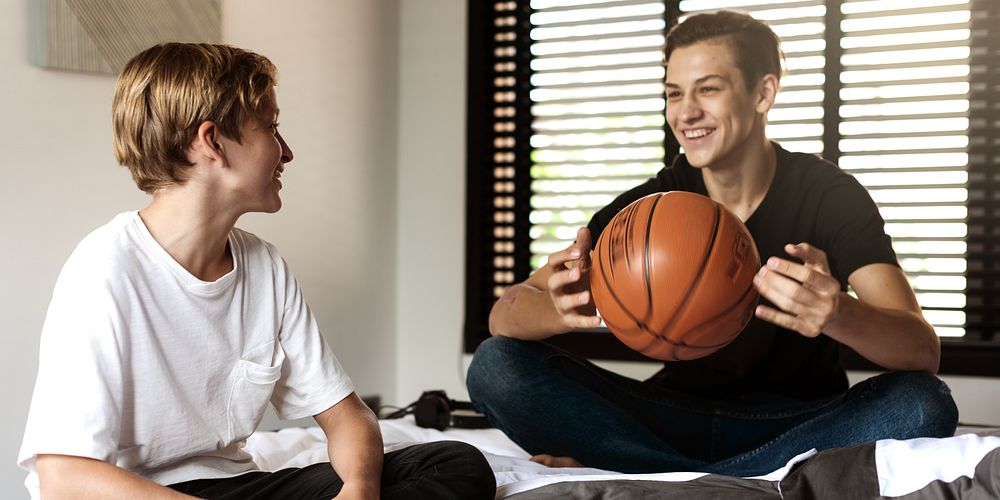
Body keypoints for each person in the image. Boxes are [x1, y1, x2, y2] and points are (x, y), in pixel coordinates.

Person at [466, 10, 958, 477]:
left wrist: (840, 314)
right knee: (495, 366)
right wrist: (555, 308)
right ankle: (740, 480)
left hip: (802, 420)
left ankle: (665, 475)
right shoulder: (649, 208)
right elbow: (504, 316)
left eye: (708, 89)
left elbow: (921, 350)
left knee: (923, 402)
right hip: (671, 415)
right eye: (674, 93)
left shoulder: (828, 194)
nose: (686, 112)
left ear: (763, 93)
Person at [18, 43, 496, 499]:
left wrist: (359, 491)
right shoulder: (105, 268)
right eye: (271, 128)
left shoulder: (264, 266)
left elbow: (350, 418)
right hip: (130, 495)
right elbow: (65, 478)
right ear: (213, 143)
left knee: (457, 465)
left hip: (231, 488)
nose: (286, 152)